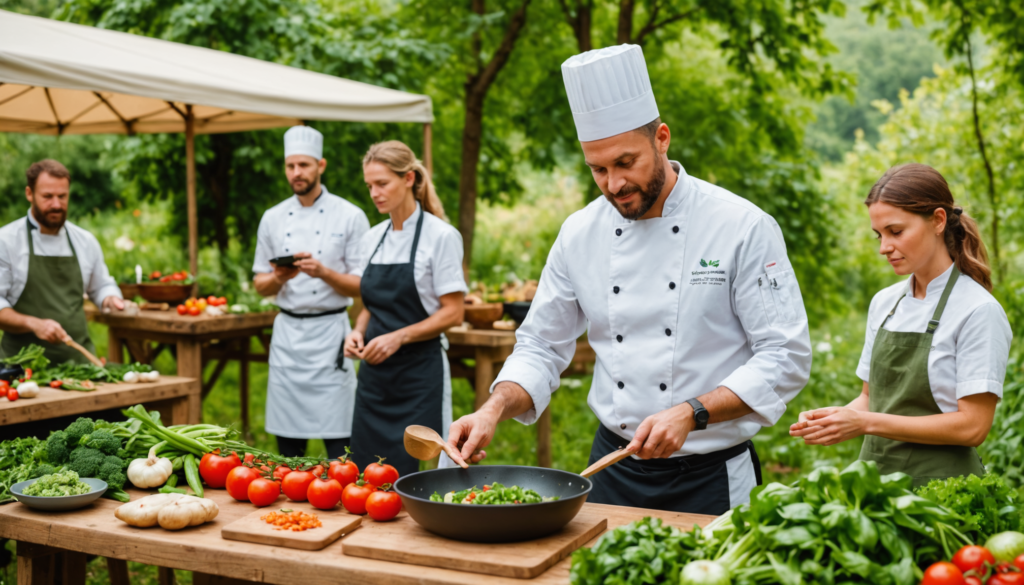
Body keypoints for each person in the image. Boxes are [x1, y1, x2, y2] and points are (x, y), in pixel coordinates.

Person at [445, 44, 812, 514]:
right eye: (597, 169)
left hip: (710, 476)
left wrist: (692, 412)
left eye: (625, 163)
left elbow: (786, 355)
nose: (613, 184)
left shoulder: (741, 226)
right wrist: (491, 408)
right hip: (610, 468)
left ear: (662, 138)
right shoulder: (580, 233)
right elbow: (540, 345)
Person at [790, 164, 1011, 487]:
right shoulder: (885, 302)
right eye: (879, 235)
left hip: (942, 492)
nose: (884, 247)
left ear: (937, 220)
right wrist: (834, 420)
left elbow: (973, 427)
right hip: (876, 489)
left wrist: (863, 422)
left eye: (896, 232)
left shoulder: (978, 310)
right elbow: (869, 399)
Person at [345, 141, 467, 476]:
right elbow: (373, 302)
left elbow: (453, 312)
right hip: (374, 376)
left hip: (419, 374)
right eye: (370, 185)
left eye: (382, 184)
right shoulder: (372, 238)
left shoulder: (440, 237)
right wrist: (356, 331)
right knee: (366, 472)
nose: (374, 193)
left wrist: (397, 337)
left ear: (409, 178)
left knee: (421, 474)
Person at [253, 126, 369, 459]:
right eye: (290, 166)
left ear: (321, 165)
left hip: (331, 336)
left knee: (340, 446)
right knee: (289, 452)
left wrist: (324, 273)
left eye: (303, 165)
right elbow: (260, 285)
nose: (296, 173)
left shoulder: (350, 216)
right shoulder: (272, 218)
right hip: (288, 336)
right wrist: (280, 278)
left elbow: (364, 285)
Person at [0, 159, 126, 364]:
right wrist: (34, 324)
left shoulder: (85, 241)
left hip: (79, 365)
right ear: (29, 194)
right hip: (21, 369)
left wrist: (110, 299)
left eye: (62, 196)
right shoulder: (6, 241)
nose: (56, 204)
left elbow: (101, 285)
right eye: (48, 197)